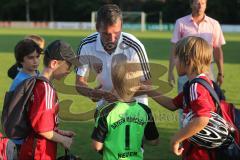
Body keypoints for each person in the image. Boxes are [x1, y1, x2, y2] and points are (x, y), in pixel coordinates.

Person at [148, 36, 217, 159]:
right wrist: (149, 91)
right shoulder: (194, 84)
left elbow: (202, 118)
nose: (174, 62)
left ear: (187, 60)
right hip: (195, 150)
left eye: (176, 57)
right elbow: (172, 104)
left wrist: (176, 139)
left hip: (199, 154)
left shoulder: (196, 87)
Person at [75, 4, 151, 110]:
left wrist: (121, 94)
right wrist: (91, 92)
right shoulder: (86, 45)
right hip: (105, 108)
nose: (112, 38)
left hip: (135, 109)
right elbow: (79, 82)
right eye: (106, 34)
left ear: (121, 26)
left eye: (116, 33)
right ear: (97, 28)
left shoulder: (134, 46)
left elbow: (147, 83)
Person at [168, 0, 225, 127]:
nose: (200, 6)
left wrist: (221, 72)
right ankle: (184, 137)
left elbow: (217, 49)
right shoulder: (181, 23)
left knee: (208, 107)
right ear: (191, 4)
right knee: (184, 105)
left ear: (206, 5)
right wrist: (171, 70)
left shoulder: (213, 24)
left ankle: (207, 134)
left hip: (207, 69)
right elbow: (175, 49)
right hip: (185, 68)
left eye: (203, 3)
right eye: (197, 2)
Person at [91, 54, 159, 160]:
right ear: (138, 85)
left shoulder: (105, 111)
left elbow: (97, 146)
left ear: (114, 83)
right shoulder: (145, 110)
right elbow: (153, 141)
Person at [19, 40, 76, 159]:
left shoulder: (40, 83)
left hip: (34, 148)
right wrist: (63, 140)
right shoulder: (45, 89)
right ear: (54, 63)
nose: (69, 70)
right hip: (39, 151)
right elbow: (42, 129)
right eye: (68, 65)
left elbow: (37, 121)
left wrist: (60, 133)